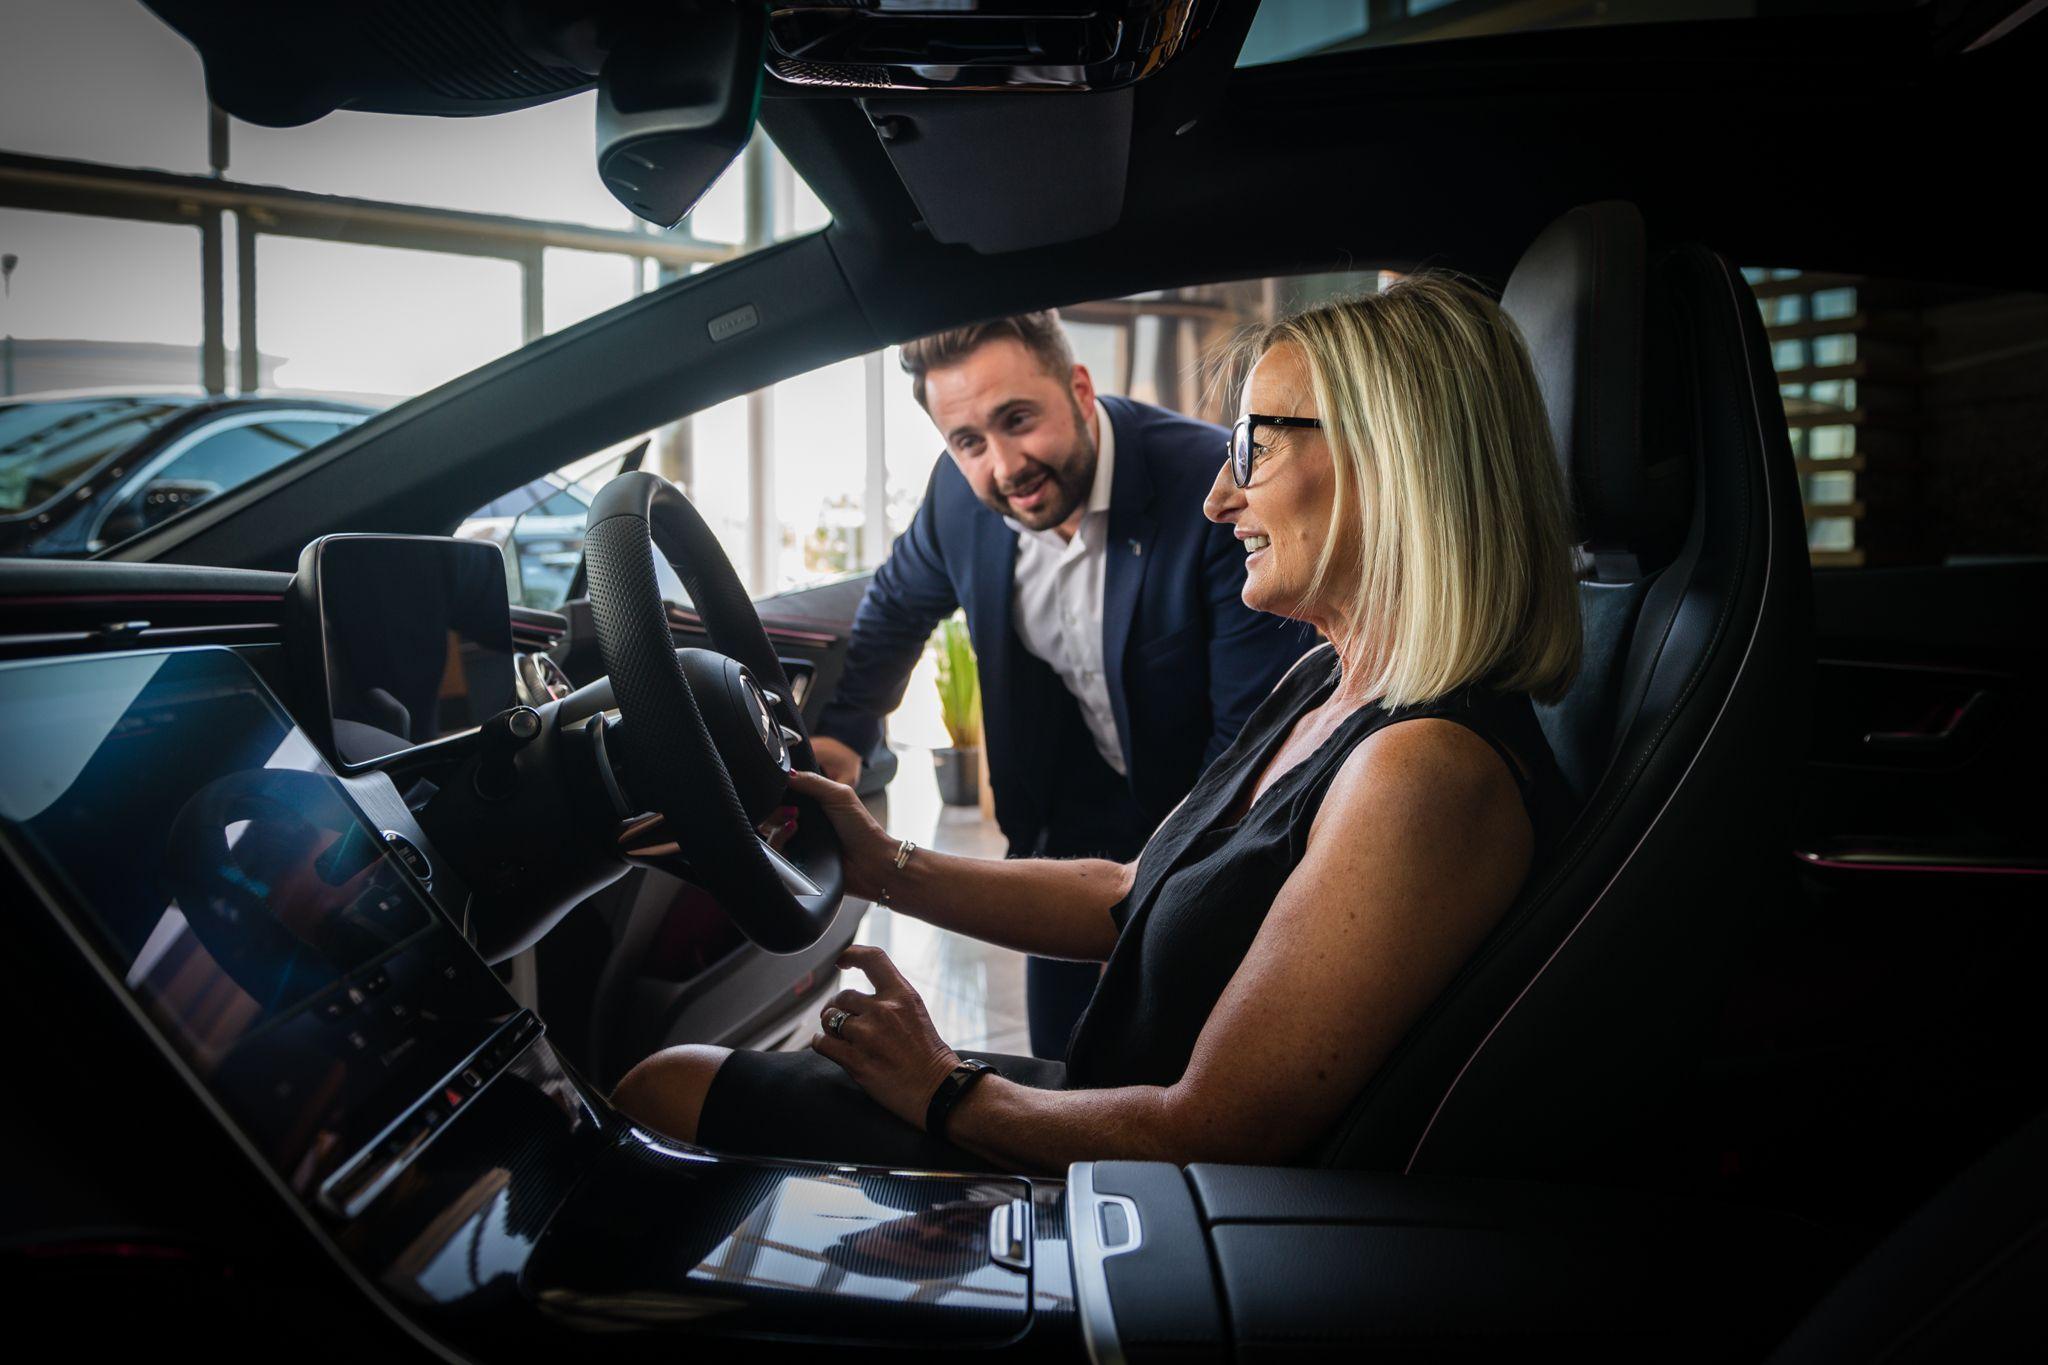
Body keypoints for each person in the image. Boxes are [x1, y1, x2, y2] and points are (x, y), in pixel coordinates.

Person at [612, 276, 1582, 1174]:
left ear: (1393, 459)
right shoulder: (1325, 679)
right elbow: (1131, 891)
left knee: (668, 1090)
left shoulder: (1420, 772)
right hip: (1113, 1114)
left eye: (1252, 448)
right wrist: (879, 864)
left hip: (1157, 1201)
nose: (1219, 495)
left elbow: (1215, 1131)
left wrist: (946, 1089)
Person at [806, 311, 1314, 1056]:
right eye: (969, 441)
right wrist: (842, 733)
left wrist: (1161, 903)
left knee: (1166, 1077)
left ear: (1079, 389)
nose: (1004, 465)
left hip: (1203, 821)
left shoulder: (1207, 493)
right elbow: (894, 609)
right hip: (1065, 824)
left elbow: (1245, 742)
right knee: (1066, 1067)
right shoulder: (957, 496)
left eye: (1018, 420)